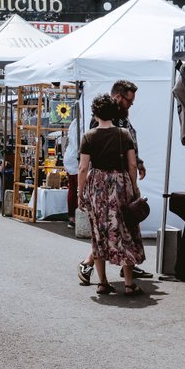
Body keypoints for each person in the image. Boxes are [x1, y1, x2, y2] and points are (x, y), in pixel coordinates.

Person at [77, 80, 151, 283]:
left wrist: (139, 162)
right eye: (129, 100)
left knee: (109, 226)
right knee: (116, 226)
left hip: (107, 181)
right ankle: (90, 263)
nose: (131, 105)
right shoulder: (103, 125)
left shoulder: (120, 124)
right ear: (118, 98)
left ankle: (105, 277)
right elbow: (89, 161)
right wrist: (133, 183)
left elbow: (130, 151)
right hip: (117, 180)